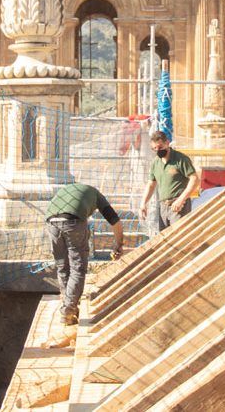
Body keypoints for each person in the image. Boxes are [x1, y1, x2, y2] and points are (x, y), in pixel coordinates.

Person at [45, 183, 124, 326]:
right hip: (73, 221)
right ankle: (68, 310)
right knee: (77, 268)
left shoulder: (68, 190)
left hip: (51, 221)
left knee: (62, 266)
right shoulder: (97, 195)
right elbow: (115, 221)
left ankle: (67, 304)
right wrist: (119, 244)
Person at [139, 130, 199, 232]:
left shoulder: (180, 159)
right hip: (163, 206)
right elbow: (151, 184)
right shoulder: (155, 163)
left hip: (179, 206)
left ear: (167, 143)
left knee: (179, 236)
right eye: (154, 149)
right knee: (165, 240)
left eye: (160, 147)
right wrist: (143, 203)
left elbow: (194, 179)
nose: (158, 150)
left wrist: (181, 200)